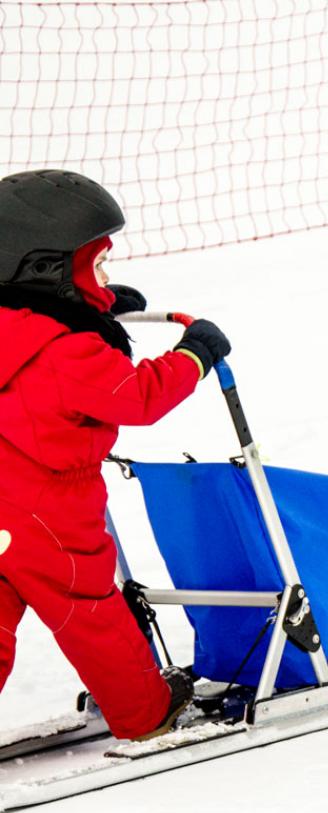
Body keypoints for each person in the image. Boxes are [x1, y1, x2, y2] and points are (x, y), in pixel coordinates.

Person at [0, 169, 230, 740]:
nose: (106, 277)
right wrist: (194, 355)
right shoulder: (69, 351)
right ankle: (146, 712)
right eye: (96, 267)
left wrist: (94, 307)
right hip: (52, 514)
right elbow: (137, 396)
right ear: (48, 271)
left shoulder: (20, 328)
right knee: (89, 611)